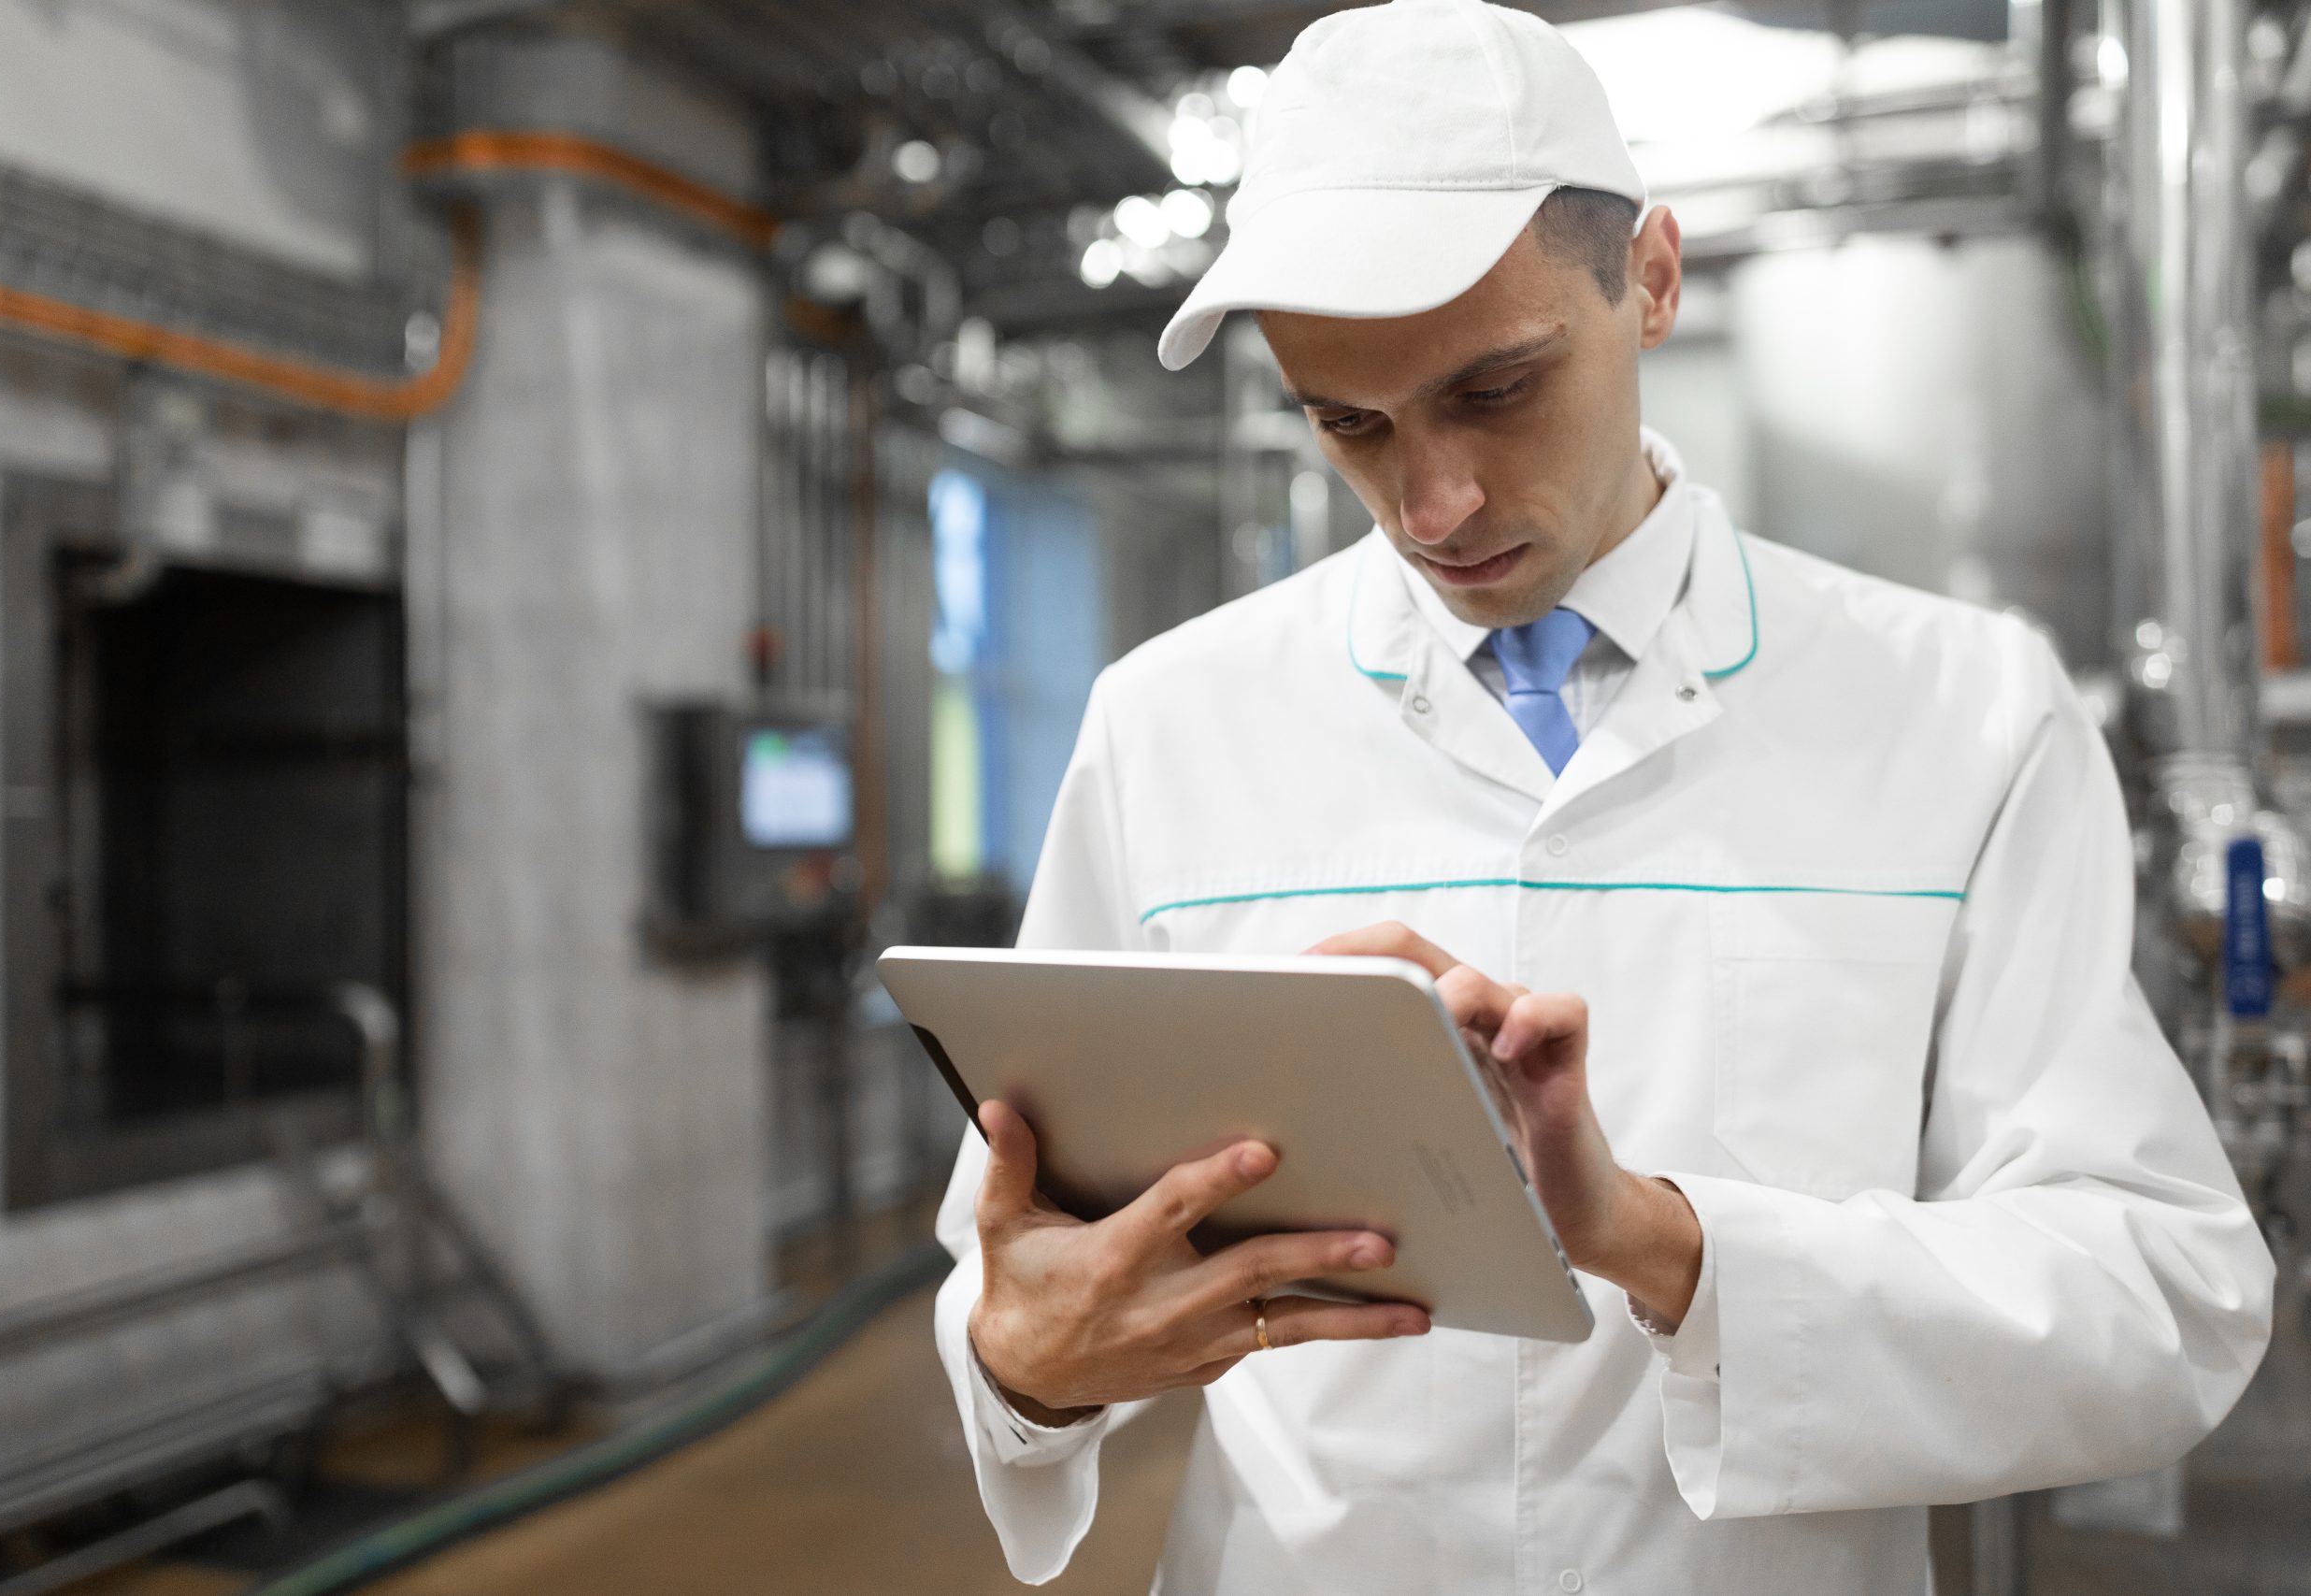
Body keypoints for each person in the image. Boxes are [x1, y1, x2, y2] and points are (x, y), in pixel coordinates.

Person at [930, 3, 2276, 1590]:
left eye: (1496, 389)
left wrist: (1664, 1243)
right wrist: (1023, 1372)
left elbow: (2164, 1296)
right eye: (1348, 424)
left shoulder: (1956, 712)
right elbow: (1015, 1271)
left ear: (1647, 276)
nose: (1431, 506)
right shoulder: (1172, 723)